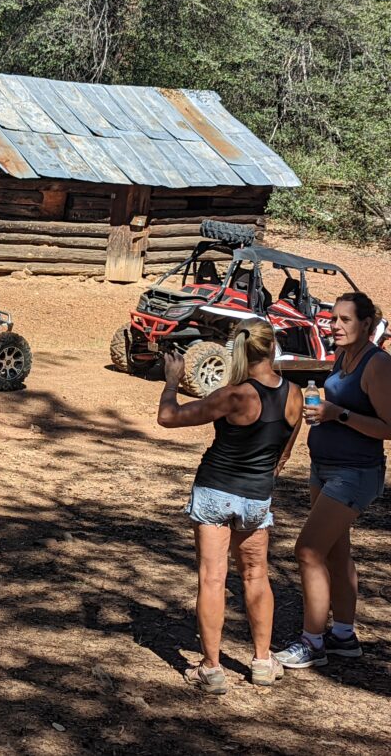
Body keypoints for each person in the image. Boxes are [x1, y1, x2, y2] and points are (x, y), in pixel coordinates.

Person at [158, 318, 303, 693]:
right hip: (257, 496)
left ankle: (211, 667)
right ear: (273, 348)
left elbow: (168, 417)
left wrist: (173, 379)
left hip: (215, 491)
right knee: (256, 575)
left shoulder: (233, 394)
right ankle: (261, 661)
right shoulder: (296, 395)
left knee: (212, 578)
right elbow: (282, 456)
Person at [275, 292, 391, 669]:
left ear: (366, 324)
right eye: (332, 318)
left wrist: (337, 414)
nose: (334, 326)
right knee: (337, 551)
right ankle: (343, 635)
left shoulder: (378, 365)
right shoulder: (343, 355)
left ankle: (312, 643)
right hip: (324, 466)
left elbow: (389, 428)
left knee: (308, 551)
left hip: (355, 473)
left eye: (344, 320)